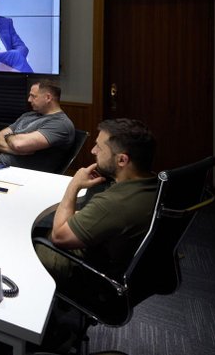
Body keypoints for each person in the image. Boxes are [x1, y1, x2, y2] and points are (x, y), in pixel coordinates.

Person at [34, 119, 158, 350]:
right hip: (121, 266)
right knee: (41, 227)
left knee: (27, 244)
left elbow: (59, 237)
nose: (92, 151)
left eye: (99, 147)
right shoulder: (153, 185)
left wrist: (74, 186)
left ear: (122, 160)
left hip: (92, 273)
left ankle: (32, 329)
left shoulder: (115, 203)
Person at [0, 80, 75, 173]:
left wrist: (8, 136)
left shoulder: (60, 124)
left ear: (48, 97)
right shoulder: (28, 115)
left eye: (33, 96)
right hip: (1, 168)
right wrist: (16, 151)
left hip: (25, 177)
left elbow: (19, 144)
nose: (29, 100)